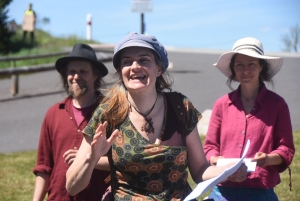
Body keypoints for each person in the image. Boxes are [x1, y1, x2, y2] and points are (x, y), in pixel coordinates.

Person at [65, 32, 247, 201]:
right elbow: (72, 187)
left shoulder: (180, 106)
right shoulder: (108, 112)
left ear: (159, 69)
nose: (135, 66)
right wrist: (92, 157)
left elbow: (200, 170)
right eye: (127, 62)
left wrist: (226, 171)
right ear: (120, 71)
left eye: (144, 60)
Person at [203, 37, 295, 200]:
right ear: (233, 69)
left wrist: (267, 159)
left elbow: (286, 149)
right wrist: (217, 160)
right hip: (222, 192)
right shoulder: (221, 104)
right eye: (239, 64)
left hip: (260, 192)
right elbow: (210, 146)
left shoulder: (277, 104)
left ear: (261, 67)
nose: (245, 70)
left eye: (251, 64)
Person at [32, 43, 110, 201]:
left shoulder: (111, 112)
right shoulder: (53, 113)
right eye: (72, 71)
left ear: (95, 75)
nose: (76, 76)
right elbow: (44, 167)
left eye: (83, 71)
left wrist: (87, 159)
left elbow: (124, 161)